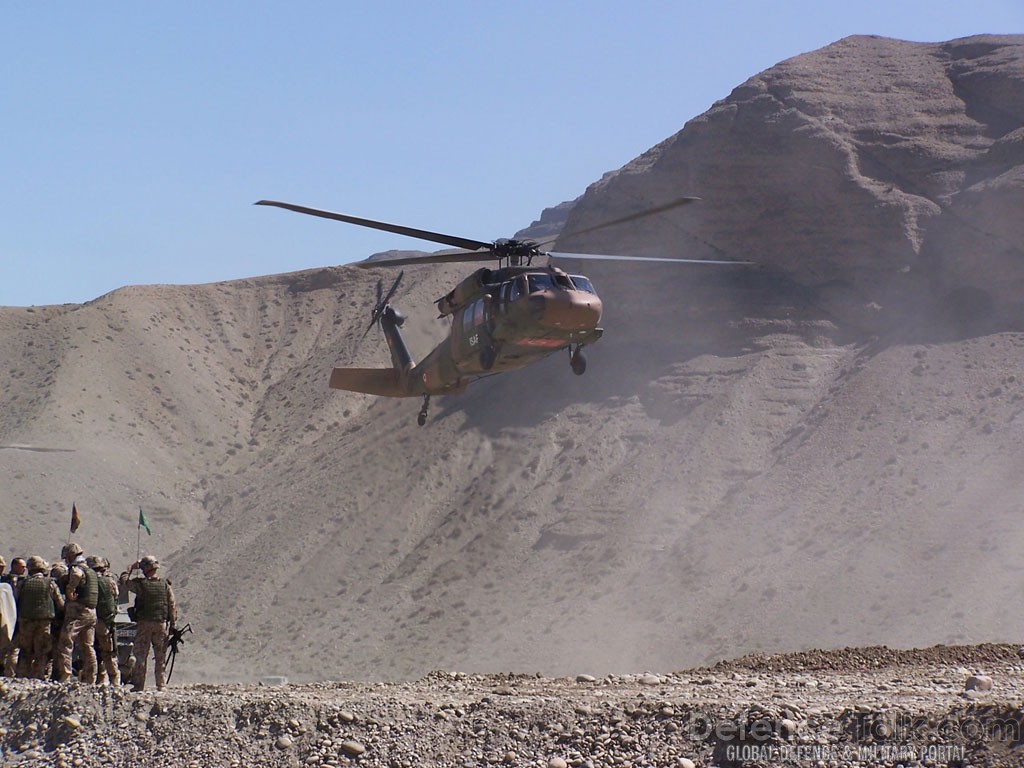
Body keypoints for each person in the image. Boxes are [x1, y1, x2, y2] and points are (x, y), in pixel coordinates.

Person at [120, 555, 176, 691]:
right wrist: (173, 625)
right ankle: (161, 684)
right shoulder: (164, 585)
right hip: (160, 624)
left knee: (141, 655)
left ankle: (139, 685)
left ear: (145, 568)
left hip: (144, 624)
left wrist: (130, 569)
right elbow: (172, 605)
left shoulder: (140, 584)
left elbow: (124, 582)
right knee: (160, 656)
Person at [54, 542, 98, 683]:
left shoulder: (76, 569)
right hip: (91, 613)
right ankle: (91, 678)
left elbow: (77, 575)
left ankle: (65, 676)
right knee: (88, 646)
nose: (66, 560)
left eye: (67, 557)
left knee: (65, 642)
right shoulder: (91, 571)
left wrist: (69, 590)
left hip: (78, 613)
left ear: (72, 555)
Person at [15, 557, 64, 679]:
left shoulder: (23, 583)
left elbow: (15, 601)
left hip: (25, 622)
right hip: (44, 622)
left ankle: (21, 676)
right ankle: (39, 677)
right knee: (41, 652)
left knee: (25, 651)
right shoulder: (50, 583)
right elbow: (60, 603)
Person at [87, 555, 121, 685]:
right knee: (108, 653)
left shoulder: (89, 582)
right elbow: (115, 599)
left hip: (91, 622)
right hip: (106, 622)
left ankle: (93, 680)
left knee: (90, 651)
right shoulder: (110, 582)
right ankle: (114, 681)